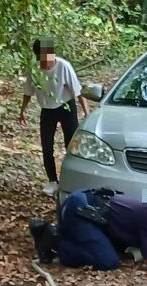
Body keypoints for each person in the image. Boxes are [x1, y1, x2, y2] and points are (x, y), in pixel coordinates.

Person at [29, 189, 147, 276]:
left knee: (112, 254)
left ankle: (70, 236)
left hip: (90, 214)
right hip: (79, 210)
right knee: (107, 262)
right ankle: (52, 239)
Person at [19, 37, 89, 196]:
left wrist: (86, 112)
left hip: (66, 107)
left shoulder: (64, 66)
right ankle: (52, 181)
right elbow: (28, 92)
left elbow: (78, 91)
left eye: (50, 56)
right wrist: (22, 111)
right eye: (44, 58)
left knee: (71, 145)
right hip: (47, 110)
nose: (48, 61)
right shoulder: (35, 70)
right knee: (47, 146)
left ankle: (72, 179)